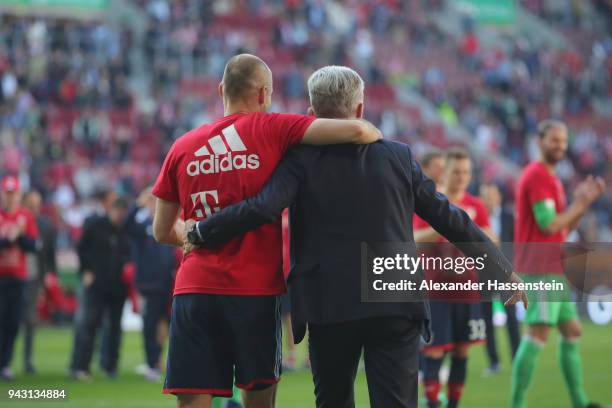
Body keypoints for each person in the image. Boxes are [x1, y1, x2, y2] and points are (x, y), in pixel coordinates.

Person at [185, 66, 527, 408]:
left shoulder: (298, 160)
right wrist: (499, 267)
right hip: (394, 301)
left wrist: (202, 230)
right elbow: (449, 217)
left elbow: (262, 208)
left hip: (327, 303)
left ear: (311, 113)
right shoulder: (398, 156)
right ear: (360, 111)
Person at [151, 54, 382, 408]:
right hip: (253, 290)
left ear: (220, 90)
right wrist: (377, 135)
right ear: (263, 94)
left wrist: (195, 236)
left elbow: (161, 230)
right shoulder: (273, 128)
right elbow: (357, 130)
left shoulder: (182, 146)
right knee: (259, 401)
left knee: (192, 401)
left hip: (194, 289)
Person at [511, 120, 605, 408]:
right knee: (538, 333)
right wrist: (578, 205)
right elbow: (548, 224)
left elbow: (561, 229)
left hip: (553, 267)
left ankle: (580, 402)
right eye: (554, 140)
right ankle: (517, 405)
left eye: (563, 141)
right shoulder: (538, 175)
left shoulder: (551, 179)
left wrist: (582, 203)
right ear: (539, 142)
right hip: (538, 268)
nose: (560, 146)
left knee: (572, 330)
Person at [413, 148, 496, 408]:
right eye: (456, 172)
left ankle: (453, 404)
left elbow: (493, 241)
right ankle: (432, 403)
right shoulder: (430, 203)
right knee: (434, 351)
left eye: (466, 172)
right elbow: (413, 240)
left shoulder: (476, 206)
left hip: (468, 291)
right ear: (443, 172)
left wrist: (471, 227)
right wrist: (449, 223)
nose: (461, 177)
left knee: (462, 350)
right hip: (435, 291)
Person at [70, 197, 132, 380]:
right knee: (89, 324)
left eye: (123, 213)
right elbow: (80, 248)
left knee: (114, 327)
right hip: (96, 284)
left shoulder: (126, 229)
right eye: (118, 212)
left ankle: (110, 366)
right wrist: (85, 271)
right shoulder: (95, 225)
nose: (120, 216)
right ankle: (81, 366)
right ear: (110, 210)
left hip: (118, 286)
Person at [125, 187, 176, 381]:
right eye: (152, 202)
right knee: (150, 324)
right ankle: (152, 362)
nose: (155, 205)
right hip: (149, 285)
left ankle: (159, 361)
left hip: (168, 283)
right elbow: (126, 225)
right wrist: (138, 202)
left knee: (167, 324)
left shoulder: (167, 224)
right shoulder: (142, 225)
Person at [479, 182, 520, 375]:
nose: (488, 198)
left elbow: (516, 243)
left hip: (505, 274)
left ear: (499, 197)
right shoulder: (476, 219)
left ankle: (517, 359)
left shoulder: (508, 217)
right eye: (485, 195)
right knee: (486, 319)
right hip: (483, 274)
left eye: (491, 194)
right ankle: (494, 362)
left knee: (511, 317)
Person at [0, 176, 39, 381]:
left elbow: (33, 245)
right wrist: (9, 239)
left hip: (17, 277)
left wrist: (20, 237)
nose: (10, 197)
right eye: (7, 193)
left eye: (13, 193)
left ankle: (4, 363)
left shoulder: (25, 216)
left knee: (12, 323)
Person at [21, 190, 57, 375]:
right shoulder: (16, 220)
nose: (35, 208)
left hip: (33, 277)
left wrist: (49, 276)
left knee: (30, 320)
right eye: (31, 204)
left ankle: (27, 361)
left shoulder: (45, 224)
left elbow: (49, 254)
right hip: (11, 275)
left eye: (37, 204)